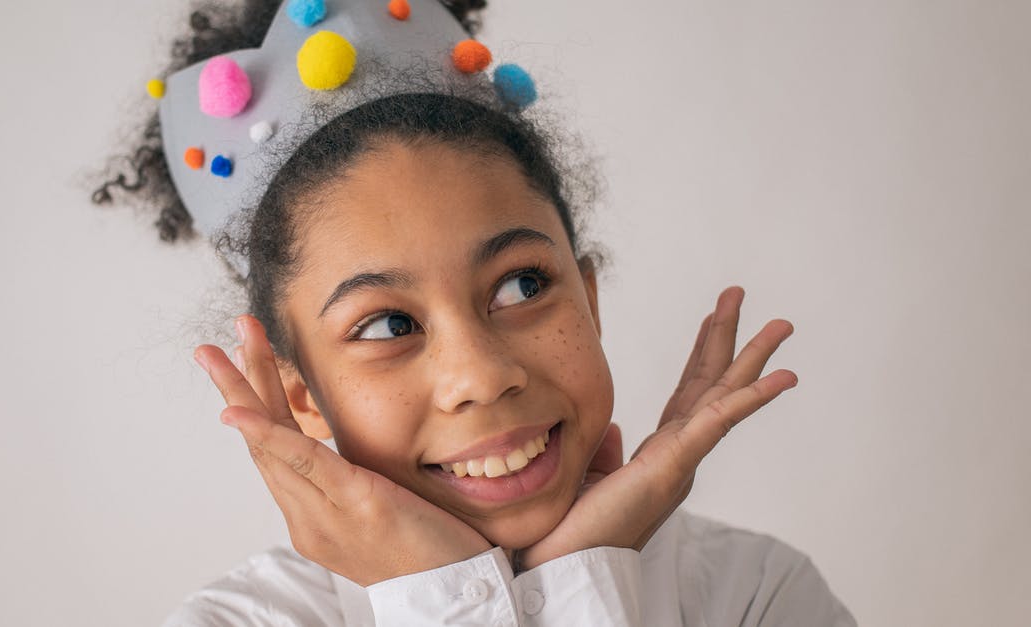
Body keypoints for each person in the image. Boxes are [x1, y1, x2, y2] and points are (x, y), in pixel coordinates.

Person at [94, 1, 856, 624]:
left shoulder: (757, 595)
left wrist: (572, 579)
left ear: (588, 299)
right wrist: (455, 595)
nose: (482, 376)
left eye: (522, 284)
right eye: (389, 325)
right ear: (300, 396)